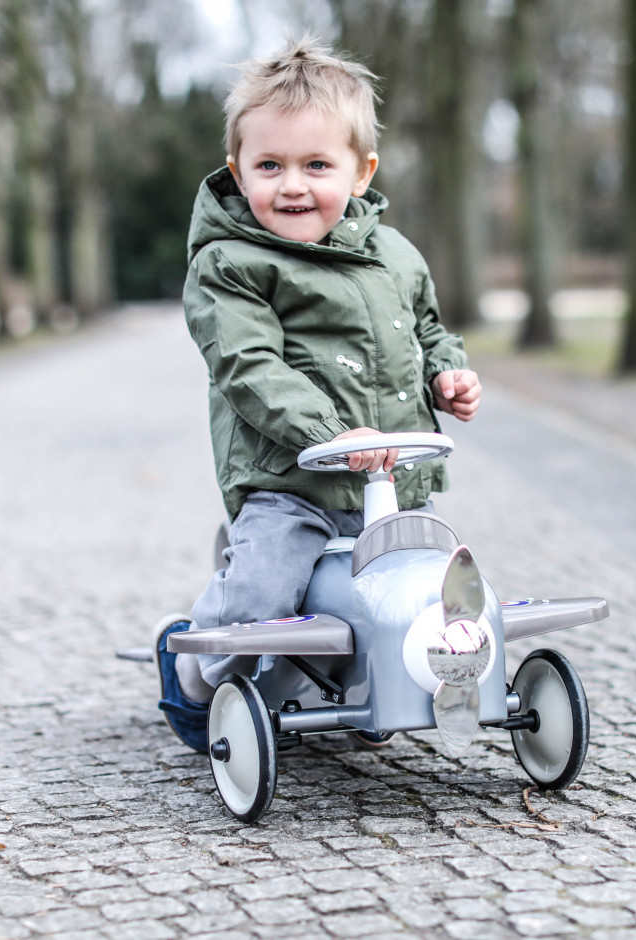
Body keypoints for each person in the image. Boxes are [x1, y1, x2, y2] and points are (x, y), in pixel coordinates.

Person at [154, 36, 482, 752]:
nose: (292, 184)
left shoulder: (395, 255)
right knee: (262, 598)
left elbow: (426, 327)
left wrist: (446, 372)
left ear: (360, 173)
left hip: (392, 481)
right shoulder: (230, 264)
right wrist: (330, 434)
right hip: (291, 483)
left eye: (316, 165)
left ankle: (392, 680)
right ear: (238, 172)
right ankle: (192, 669)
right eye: (269, 165)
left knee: (427, 590)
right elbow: (250, 366)